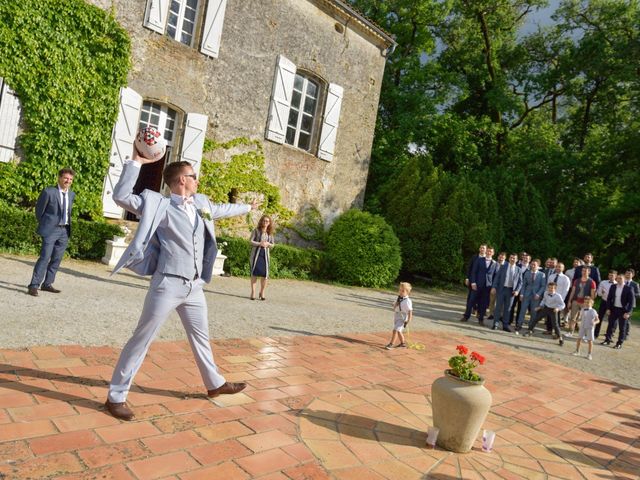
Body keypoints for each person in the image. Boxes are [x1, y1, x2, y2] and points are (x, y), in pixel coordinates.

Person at [104, 151, 258, 421]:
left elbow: (222, 210)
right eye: (194, 176)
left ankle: (214, 384)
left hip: (194, 287)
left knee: (201, 337)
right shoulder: (158, 205)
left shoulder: (201, 203)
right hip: (167, 284)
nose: (198, 180)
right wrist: (136, 163)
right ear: (181, 180)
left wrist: (248, 207)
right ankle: (116, 396)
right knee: (142, 339)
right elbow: (121, 197)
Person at [27, 168, 76, 296]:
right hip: (51, 230)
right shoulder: (49, 192)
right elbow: (39, 211)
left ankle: (47, 284)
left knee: (57, 258)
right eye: (66, 178)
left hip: (64, 231)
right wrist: (46, 226)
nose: (68, 181)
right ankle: (33, 285)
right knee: (44, 257)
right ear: (59, 178)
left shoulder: (71, 194)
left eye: (70, 179)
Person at [461, 246, 496, 325]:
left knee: (483, 303)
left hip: (487, 287)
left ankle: (481, 319)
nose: (489, 252)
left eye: (491, 251)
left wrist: (493, 287)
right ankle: (466, 316)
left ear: (493, 253)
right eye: (488, 251)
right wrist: (473, 283)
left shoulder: (495, 263)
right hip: (476, 285)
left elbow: (495, 276)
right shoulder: (479, 260)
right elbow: (473, 272)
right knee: (471, 301)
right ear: (486, 251)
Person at [601, 273, 636, 349]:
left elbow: (631, 302)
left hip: (623, 311)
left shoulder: (629, 288)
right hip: (614, 309)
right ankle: (607, 340)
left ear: (624, 280)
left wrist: (628, 313)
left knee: (622, 328)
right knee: (610, 325)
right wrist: (608, 308)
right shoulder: (613, 287)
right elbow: (609, 299)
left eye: (621, 278)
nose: (619, 280)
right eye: (618, 278)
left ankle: (619, 343)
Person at [492, 253, 523, 332]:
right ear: (509, 259)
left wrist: (517, 291)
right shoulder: (503, 267)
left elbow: (520, 282)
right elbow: (497, 278)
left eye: (514, 258)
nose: (512, 259)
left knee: (508, 309)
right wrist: (494, 287)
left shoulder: (518, 269)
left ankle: (505, 325)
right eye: (511, 257)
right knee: (498, 307)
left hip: (511, 291)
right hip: (502, 289)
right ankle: (495, 323)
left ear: (517, 260)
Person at [515, 259, 546, 334]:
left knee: (533, 312)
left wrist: (538, 294)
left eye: (534, 265)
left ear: (538, 266)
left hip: (536, 296)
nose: (532, 266)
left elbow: (543, 286)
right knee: (522, 310)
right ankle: (519, 325)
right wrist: (521, 294)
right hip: (526, 294)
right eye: (531, 264)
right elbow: (523, 284)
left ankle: (531, 326)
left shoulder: (542, 275)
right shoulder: (527, 273)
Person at [249, 215, 275, 301]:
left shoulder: (270, 233)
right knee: (254, 273)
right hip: (256, 255)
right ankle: (253, 292)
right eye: (264, 221)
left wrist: (268, 244)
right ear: (261, 221)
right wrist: (259, 243)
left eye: (267, 221)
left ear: (269, 223)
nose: (265, 222)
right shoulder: (256, 231)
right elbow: (250, 241)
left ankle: (262, 292)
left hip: (265, 256)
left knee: (265, 275)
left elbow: (273, 245)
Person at [566, 266, 596, 336]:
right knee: (572, 318)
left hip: (585, 303)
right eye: (583, 271)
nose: (584, 272)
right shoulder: (576, 280)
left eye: (586, 271)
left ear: (589, 272)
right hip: (576, 301)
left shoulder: (592, 282)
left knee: (585, 319)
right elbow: (573, 291)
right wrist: (569, 301)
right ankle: (570, 332)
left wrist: (590, 304)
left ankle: (585, 335)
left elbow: (592, 294)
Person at [385, 282, 413, 349]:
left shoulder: (407, 301)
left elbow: (410, 311)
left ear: (407, 292)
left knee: (395, 330)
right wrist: (395, 304)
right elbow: (395, 305)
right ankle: (402, 344)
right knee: (399, 330)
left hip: (403, 317)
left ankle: (391, 344)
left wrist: (408, 320)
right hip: (397, 316)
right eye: (400, 290)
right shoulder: (399, 298)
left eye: (403, 291)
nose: (400, 292)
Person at [594, 270, 616, 338]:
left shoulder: (617, 284)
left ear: (615, 276)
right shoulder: (603, 282)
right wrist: (602, 292)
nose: (610, 277)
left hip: (613, 303)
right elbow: (599, 294)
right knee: (599, 317)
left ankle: (609, 335)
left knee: (612, 320)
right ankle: (595, 333)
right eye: (609, 275)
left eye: (612, 275)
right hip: (604, 301)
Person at [487, 251, 506, 321]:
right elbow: (490, 275)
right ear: (498, 257)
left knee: (501, 302)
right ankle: (490, 314)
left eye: (502, 257)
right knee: (492, 301)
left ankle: (500, 315)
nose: (501, 258)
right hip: (494, 286)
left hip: (503, 287)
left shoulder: (507, 265)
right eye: (500, 257)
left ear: (505, 258)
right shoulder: (494, 264)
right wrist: (492, 286)